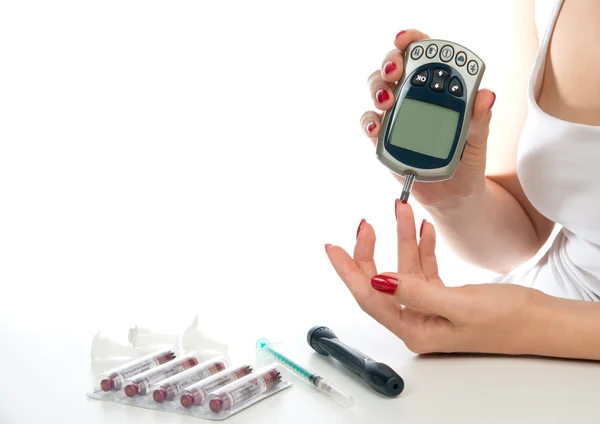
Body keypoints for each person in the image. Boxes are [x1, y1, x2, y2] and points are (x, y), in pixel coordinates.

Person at [324, 0, 600, 361]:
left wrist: (527, 324)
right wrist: (455, 199)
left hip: (527, 339)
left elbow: (526, 322)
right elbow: (518, 241)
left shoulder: (523, 324)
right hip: (513, 344)